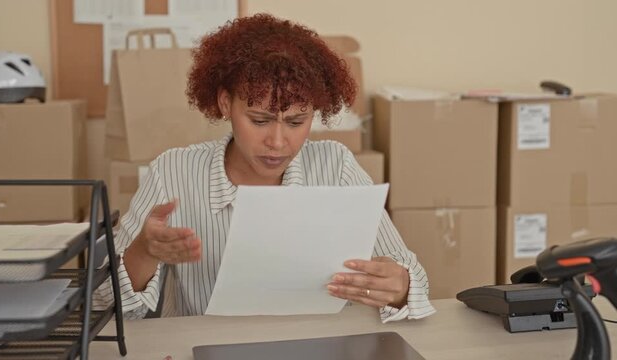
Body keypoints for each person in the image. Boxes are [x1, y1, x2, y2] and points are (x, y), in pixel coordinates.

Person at [95, 13, 435, 323]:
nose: (277, 141)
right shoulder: (173, 172)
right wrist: (143, 253)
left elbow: (415, 282)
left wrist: (400, 286)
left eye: (297, 121)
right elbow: (101, 305)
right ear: (225, 103)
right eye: (259, 120)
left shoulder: (337, 167)